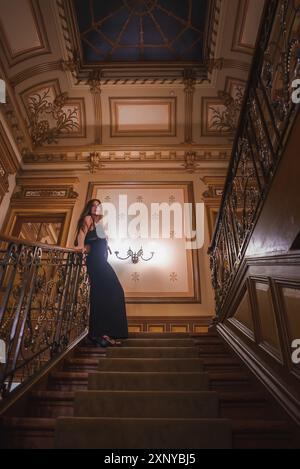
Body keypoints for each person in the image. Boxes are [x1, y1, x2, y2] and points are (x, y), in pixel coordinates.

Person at [75, 199, 128, 347]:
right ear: (89, 208)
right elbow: (80, 239)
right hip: (95, 262)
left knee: (103, 295)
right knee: (114, 292)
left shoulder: (99, 225)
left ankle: (101, 334)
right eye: (94, 205)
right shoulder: (87, 219)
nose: (96, 208)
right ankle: (99, 333)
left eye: (98, 206)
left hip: (101, 261)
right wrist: (81, 250)